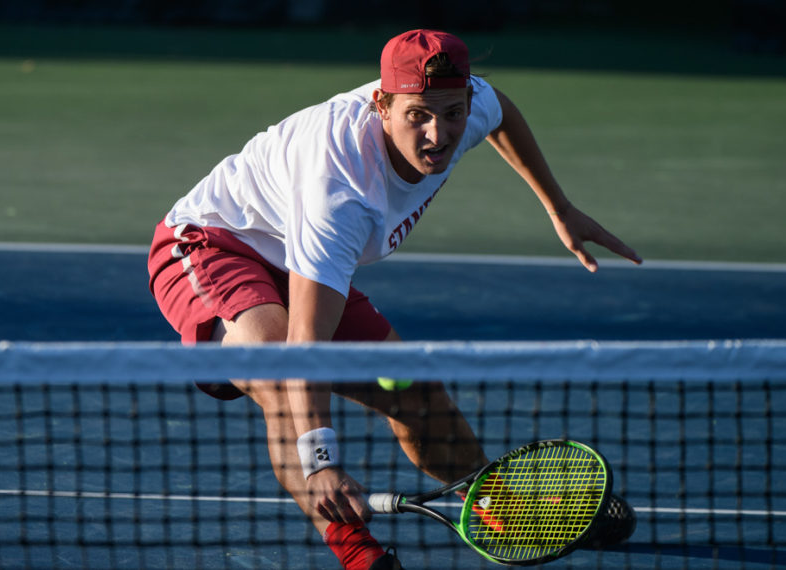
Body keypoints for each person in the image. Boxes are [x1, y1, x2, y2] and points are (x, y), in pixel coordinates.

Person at [148, 29, 642, 570]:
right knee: (275, 369)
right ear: (382, 105)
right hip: (211, 244)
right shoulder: (340, 190)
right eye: (419, 117)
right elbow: (305, 346)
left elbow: (502, 114)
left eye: (453, 113)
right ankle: (361, 556)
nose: (439, 133)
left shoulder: (467, 108)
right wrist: (322, 461)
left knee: (413, 388)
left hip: (298, 256)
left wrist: (559, 207)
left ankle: (501, 507)